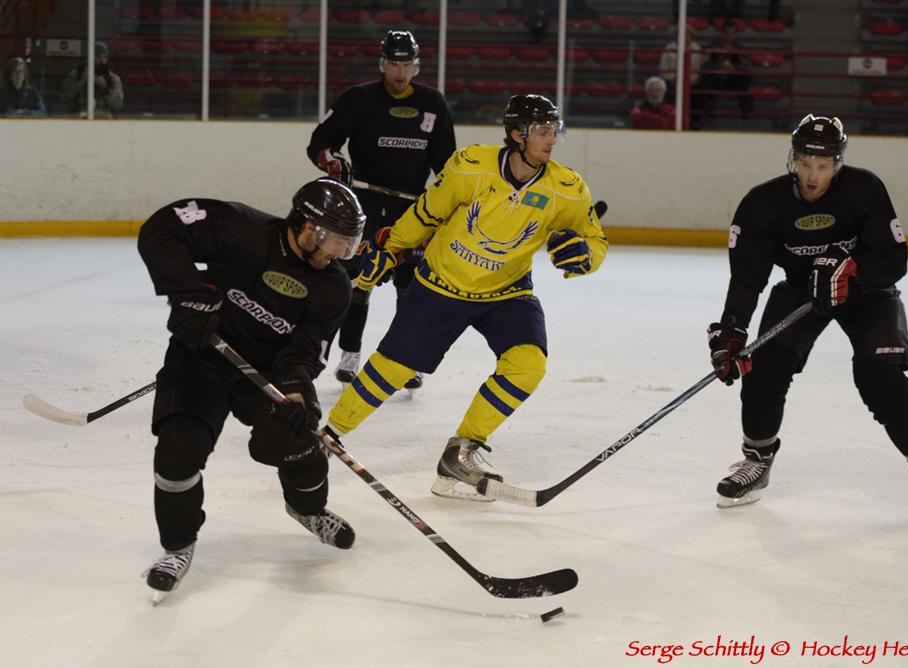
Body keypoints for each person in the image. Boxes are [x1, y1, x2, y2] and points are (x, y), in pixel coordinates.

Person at [324, 94, 608, 501]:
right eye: (542, 131)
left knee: (528, 365)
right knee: (392, 369)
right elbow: (426, 214)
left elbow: (595, 240)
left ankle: (461, 452)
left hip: (507, 293)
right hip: (442, 285)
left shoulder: (567, 188)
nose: (551, 140)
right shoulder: (471, 166)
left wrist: (585, 257)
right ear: (516, 134)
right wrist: (390, 250)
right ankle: (328, 435)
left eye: (553, 131)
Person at [706, 115, 908, 521]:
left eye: (822, 166)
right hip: (802, 291)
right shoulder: (762, 203)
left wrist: (853, 273)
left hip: (865, 293)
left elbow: (893, 259)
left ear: (837, 163)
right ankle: (757, 460)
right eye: (804, 163)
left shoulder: (865, 189)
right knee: (764, 362)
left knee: (879, 374)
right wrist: (732, 329)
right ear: (792, 158)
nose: (812, 175)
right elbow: (747, 278)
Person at [136, 178, 366, 602]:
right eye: (336, 242)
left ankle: (307, 509)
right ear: (308, 227)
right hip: (202, 355)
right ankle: (178, 546)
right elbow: (163, 227)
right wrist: (188, 294)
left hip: (266, 373)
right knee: (176, 454)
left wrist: (296, 396)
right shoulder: (239, 228)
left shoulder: (333, 287)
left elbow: (303, 352)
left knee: (302, 440)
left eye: (348, 246)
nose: (340, 254)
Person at [307, 29, 456, 392]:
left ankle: (409, 360)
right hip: (365, 205)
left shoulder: (433, 104)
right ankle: (350, 354)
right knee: (359, 281)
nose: (400, 71)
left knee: (412, 288)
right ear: (382, 63)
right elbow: (320, 144)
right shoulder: (357, 99)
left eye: (407, 64)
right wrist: (333, 161)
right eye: (393, 63)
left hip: (412, 209)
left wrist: (450, 196)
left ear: (416, 65)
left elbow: (448, 163)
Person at [61, 41, 124, 118]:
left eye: (104, 57)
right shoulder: (75, 75)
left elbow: (118, 105)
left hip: (103, 123)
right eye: (97, 57)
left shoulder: (113, 78)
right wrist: (81, 81)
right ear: (90, 57)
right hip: (78, 122)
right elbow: (64, 98)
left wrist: (104, 87)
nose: (101, 61)